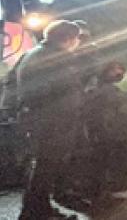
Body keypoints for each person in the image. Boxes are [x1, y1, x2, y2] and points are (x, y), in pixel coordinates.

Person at [16, 20, 84, 220]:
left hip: (43, 120)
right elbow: (52, 91)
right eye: (76, 37)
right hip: (52, 122)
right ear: (69, 38)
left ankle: (39, 207)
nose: (78, 42)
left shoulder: (34, 54)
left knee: (43, 167)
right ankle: (34, 211)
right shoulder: (54, 58)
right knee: (46, 167)